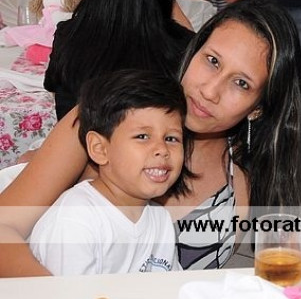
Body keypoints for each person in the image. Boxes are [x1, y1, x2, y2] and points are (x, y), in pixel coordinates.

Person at [0, 0, 301, 276]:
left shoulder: (251, 177)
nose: (210, 91)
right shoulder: (108, 116)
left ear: (258, 108)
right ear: (193, 51)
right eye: (212, 61)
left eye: (241, 83)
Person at [30, 70, 185, 275]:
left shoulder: (161, 220)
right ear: (100, 149)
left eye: (171, 138)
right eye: (142, 136)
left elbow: (171, 288)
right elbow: (70, 295)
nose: (162, 150)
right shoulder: (76, 220)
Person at [43, 0, 194, 120]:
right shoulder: (180, 47)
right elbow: (194, 49)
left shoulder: (69, 35)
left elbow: (58, 95)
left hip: (77, 138)